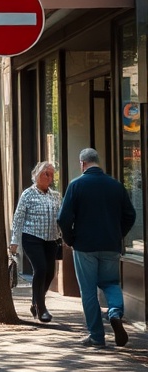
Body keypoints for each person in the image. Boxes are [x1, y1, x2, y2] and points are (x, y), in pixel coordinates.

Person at [57, 148, 137, 348]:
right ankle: (115, 313)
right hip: (110, 244)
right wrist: (118, 234)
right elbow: (130, 215)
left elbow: (63, 218)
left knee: (89, 290)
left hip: (85, 246)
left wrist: (70, 239)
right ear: (97, 162)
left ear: (82, 163)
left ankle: (96, 336)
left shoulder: (76, 185)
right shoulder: (115, 186)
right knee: (111, 283)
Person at [9, 162, 61, 323]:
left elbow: (61, 217)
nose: (49, 177)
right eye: (46, 174)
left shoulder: (55, 195)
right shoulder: (28, 194)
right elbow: (18, 218)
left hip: (51, 239)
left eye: (52, 175)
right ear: (37, 175)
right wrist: (14, 241)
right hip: (32, 237)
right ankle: (41, 308)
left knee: (50, 273)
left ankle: (35, 301)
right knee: (40, 268)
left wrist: (65, 236)